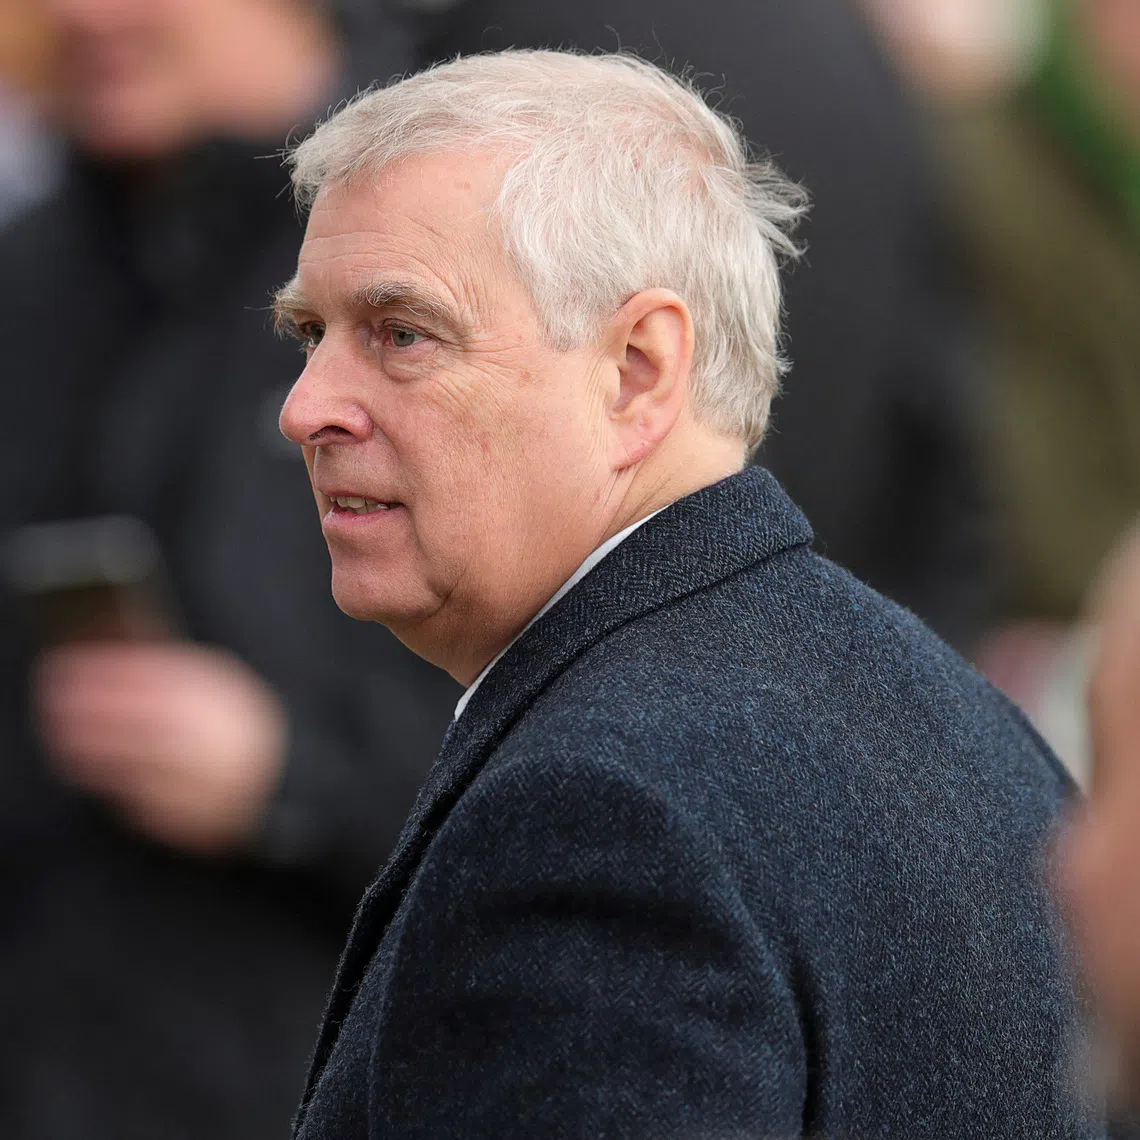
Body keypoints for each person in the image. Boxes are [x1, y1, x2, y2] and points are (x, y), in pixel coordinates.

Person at [276, 50, 1102, 1138]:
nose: (307, 408)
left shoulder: (594, 816)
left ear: (637, 370)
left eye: (402, 333)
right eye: (310, 334)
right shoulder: (970, 727)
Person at [0, 2, 457, 1137]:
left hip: (326, 1062)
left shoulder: (440, 255)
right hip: (57, 1041)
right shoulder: (38, 264)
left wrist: (291, 777)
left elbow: (580, 683)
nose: (86, 17)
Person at [422, 0, 994, 655]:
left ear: (644, 361)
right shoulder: (856, 51)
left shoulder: (515, 44)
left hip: (590, 655)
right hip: (823, 647)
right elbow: (942, 434)